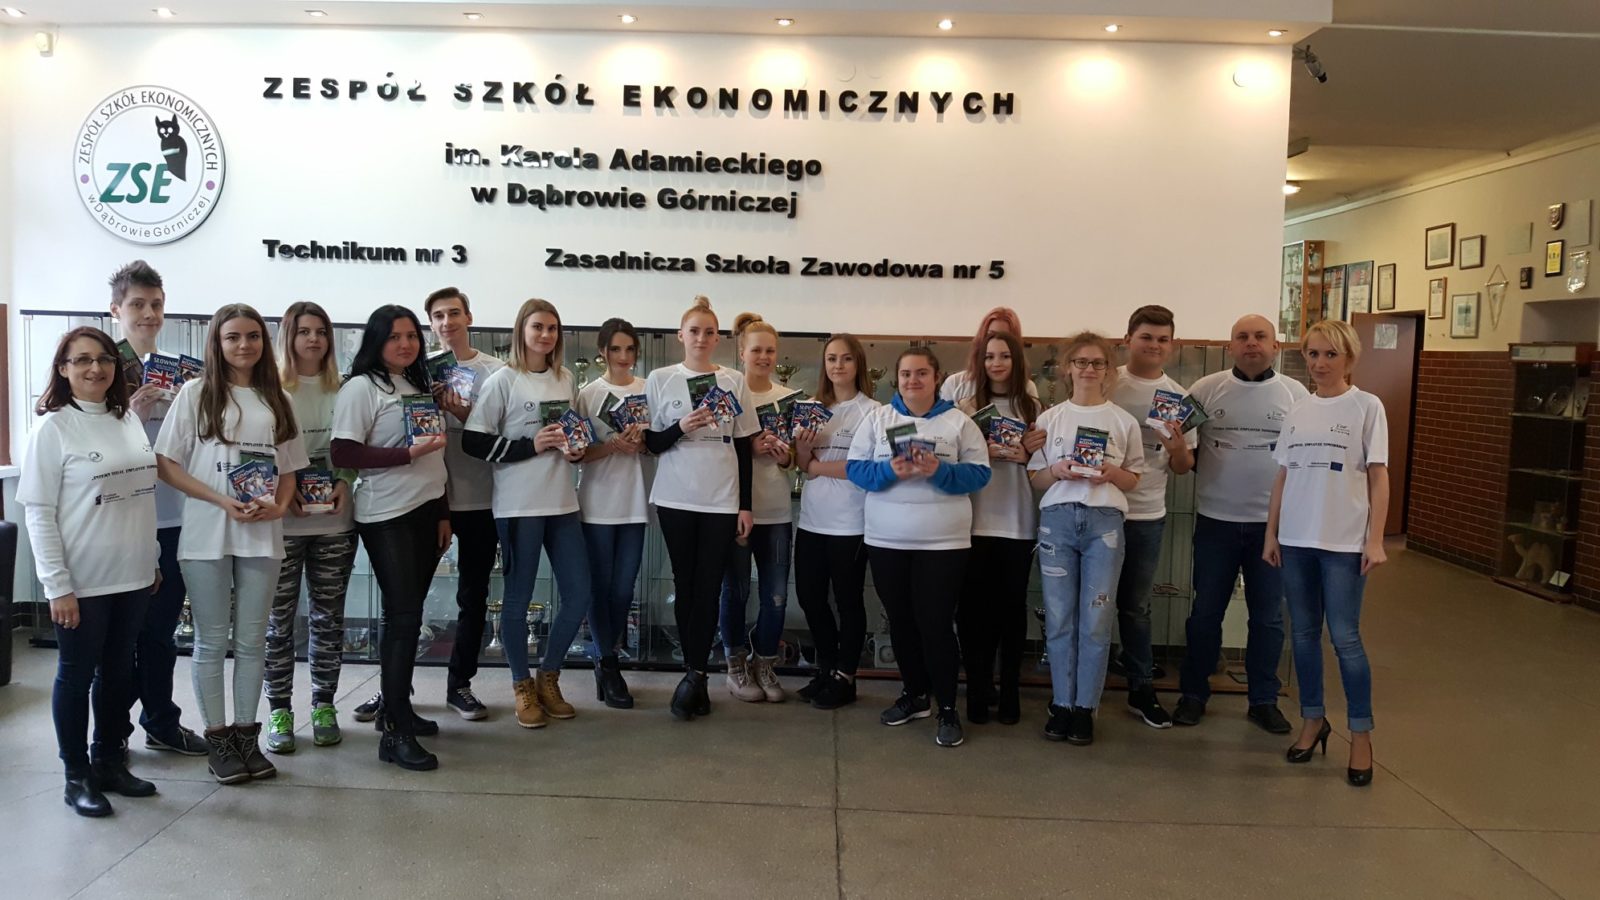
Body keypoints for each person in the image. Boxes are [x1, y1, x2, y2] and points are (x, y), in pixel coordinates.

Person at [154, 304, 308, 784]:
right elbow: (166, 464)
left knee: (252, 641)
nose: (244, 345)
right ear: (217, 343)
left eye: (253, 336)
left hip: (261, 534)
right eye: (233, 337)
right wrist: (220, 500)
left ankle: (246, 736)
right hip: (206, 533)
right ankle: (218, 739)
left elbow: (289, 468)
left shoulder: (278, 398)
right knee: (211, 640)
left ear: (264, 341)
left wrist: (280, 507)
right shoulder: (195, 393)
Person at [20, 327, 163, 816]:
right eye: (82, 360)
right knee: (76, 675)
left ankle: (109, 761)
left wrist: (152, 560)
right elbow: (38, 512)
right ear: (63, 369)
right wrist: (57, 586)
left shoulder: (127, 419)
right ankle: (76, 775)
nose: (95, 368)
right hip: (82, 581)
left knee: (119, 672)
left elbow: (142, 496)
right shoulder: (53, 428)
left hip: (133, 574)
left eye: (103, 359)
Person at [1264, 319, 1388, 787]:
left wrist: (1375, 538)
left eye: (1330, 355)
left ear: (1349, 358)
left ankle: (1361, 734)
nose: (1319, 363)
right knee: (1302, 636)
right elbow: (1283, 474)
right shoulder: (1298, 408)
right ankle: (1313, 719)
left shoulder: (1366, 406)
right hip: (1296, 541)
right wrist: (1272, 533)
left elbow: (1378, 476)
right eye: (1313, 354)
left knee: (1345, 639)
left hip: (1343, 544)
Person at [847, 348, 991, 748]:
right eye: (906, 373)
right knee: (901, 621)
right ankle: (915, 695)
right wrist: (888, 470)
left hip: (943, 543)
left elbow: (980, 474)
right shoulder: (877, 419)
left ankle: (947, 707)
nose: (913, 380)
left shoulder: (959, 422)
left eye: (922, 373)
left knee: (936, 624)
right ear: (897, 379)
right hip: (886, 540)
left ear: (936, 377)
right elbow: (856, 469)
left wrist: (939, 471)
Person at [463, 298, 595, 729]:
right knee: (518, 600)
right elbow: (473, 441)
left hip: (563, 503)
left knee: (579, 594)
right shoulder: (503, 381)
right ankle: (521, 685)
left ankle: (548, 676)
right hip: (519, 506)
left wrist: (575, 451)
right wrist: (530, 445)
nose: (545, 335)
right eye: (538, 327)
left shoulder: (566, 377)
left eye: (552, 328)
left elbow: (574, 437)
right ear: (521, 330)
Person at [1173, 314, 1309, 731]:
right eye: (1243, 337)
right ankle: (1193, 694)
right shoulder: (1204, 390)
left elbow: (1304, 461)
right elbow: (1181, 448)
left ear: (1276, 346)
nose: (1252, 343)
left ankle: (1263, 699)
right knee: (1205, 614)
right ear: (1230, 346)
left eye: (1260, 336)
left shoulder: (1296, 394)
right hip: (1216, 522)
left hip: (1272, 528)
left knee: (1267, 618)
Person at [331, 305, 450, 771]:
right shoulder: (361, 388)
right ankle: (395, 733)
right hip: (387, 515)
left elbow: (435, 456)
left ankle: (396, 709)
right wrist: (406, 455)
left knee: (408, 616)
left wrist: (443, 512)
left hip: (426, 510)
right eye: (395, 336)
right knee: (403, 618)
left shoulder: (417, 386)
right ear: (376, 341)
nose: (406, 344)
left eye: (412, 336)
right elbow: (344, 452)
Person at [108, 261, 207, 758]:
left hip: (173, 518)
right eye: (137, 305)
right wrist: (131, 414)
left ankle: (161, 722)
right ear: (116, 310)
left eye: (156, 304)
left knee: (161, 632)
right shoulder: (100, 369)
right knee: (119, 637)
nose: (148, 314)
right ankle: (111, 732)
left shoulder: (184, 373)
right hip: (120, 522)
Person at [643, 295, 758, 720]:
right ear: (681, 335)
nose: (701, 338)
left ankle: (695, 675)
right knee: (685, 584)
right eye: (694, 331)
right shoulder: (660, 379)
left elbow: (743, 446)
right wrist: (681, 426)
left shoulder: (733, 380)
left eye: (709, 332)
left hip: (720, 499)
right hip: (675, 497)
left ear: (718, 338)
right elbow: (652, 443)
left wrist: (745, 506)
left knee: (709, 588)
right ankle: (695, 676)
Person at [1028, 332, 1145, 745]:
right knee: (1059, 617)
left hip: (1105, 524)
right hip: (1057, 522)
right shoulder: (1050, 419)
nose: (1089, 369)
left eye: (1097, 363)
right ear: (1068, 368)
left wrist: (1111, 473)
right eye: (1081, 362)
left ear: (1109, 370)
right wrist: (1058, 471)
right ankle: (1061, 702)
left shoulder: (1123, 421)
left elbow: (1134, 478)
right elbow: (1036, 479)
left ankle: (1085, 708)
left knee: (1096, 621)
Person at [263, 301, 358, 753]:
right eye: (304, 331)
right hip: (282, 524)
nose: (314, 339)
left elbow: (357, 446)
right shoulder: (268, 391)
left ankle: (324, 704)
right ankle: (279, 710)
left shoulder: (347, 389)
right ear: (288, 337)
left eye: (321, 331)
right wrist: (287, 491)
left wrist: (345, 480)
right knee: (277, 623)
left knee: (328, 619)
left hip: (335, 523)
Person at [1107, 305, 1196, 729]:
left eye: (1163, 339)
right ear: (1128, 339)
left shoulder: (1179, 397)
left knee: (1136, 607)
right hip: (1100, 509)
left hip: (1146, 515)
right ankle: (1075, 691)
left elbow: (1183, 467)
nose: (1154, 345)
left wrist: (1177, 447)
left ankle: (1141, 688)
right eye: (1146, 337)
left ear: (1172, 345)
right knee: (1087, 605)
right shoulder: (1107, 383)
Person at [426, 286, 506, 721]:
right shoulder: (415, 369)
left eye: (453, 313)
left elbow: (506, 436)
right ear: (431, 323)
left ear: (469, 317)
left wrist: (463, 415)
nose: (446, 322)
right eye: (438, 315)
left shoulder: (495, 372)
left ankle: (460, 684)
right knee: (405, 600)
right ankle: (392, 689)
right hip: (426, 499)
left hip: (479, 499)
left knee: (472, 596)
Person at [955, 330, 1041, 726]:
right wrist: (979, 452)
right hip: (974, 520)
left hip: (1017, 519)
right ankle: (977, 690)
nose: (996, 363)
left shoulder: (1034, 406)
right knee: (973, 612)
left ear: (1016, 360)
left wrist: (1026, 456)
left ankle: (1010, 691)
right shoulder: (966, 407)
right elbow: (951, 460)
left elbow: (1048, 465)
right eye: (989, 356)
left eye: (1004, 355)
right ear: (980, 362)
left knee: (1011, 610)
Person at [792, 334, 880, 710]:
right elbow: (801, 465)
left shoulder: (873, 412)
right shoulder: (812, 408)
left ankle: (846, 676)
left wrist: (815, 466)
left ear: (858, 364)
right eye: (831, 358)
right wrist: (803, 451)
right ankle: (826, 669)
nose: (838, 365)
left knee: (848, 601)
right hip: (813, 519)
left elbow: (864, 468)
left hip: (851, 523)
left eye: (846, 358)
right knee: (810, 597)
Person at [718, 312, 794, 704]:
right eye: (756, 350)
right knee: (735, 591)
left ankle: (765, 664)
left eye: (770, 351)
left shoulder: (789, 398)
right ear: (741, 353)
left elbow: (794, 460)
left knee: (776, 596)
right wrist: (749, 447)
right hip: (736, 508)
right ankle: (735, 664)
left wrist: (784, 455)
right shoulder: (728, 396)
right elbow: (714, 451)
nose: (764, 357)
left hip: (777, 511)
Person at [576, 317, 652, 709]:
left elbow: (660, 443)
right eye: (616, 349)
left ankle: (607, 657)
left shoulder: (648, 389)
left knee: (624, 588)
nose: (624, 356)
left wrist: (642, 445)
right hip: (596, 503)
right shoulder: (588, 394)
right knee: (599, 588)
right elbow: (577, 453)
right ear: (602, 351)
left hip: (635, 502)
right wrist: (611, 447)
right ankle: (607, 663)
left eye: (630, 349)